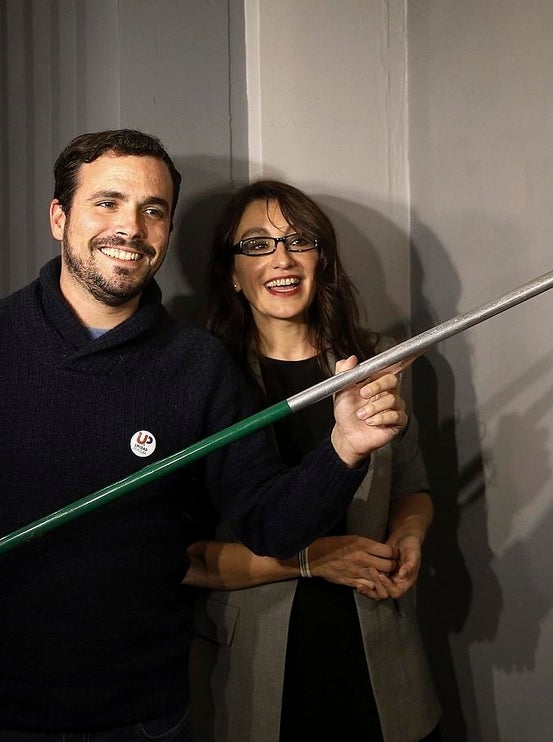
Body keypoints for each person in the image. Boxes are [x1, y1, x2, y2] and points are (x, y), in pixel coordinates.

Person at [0, 130, 409, 741]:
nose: (132, 227)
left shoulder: (198, 366)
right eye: (107, 203)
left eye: (154, 210)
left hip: (144, 718)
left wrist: (345, 447)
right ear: (59, 217)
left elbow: (270, 527)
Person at [185, 181, 441, 741]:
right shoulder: (205, 381)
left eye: (298, 239)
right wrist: (312, 559)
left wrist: (409, 537)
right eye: (256, 244)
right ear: (232, 273)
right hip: (258, 672)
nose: (281, 258)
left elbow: (413, 488)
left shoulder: (377, 363)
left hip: (380, 660)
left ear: (321, 259)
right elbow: (185, 560)